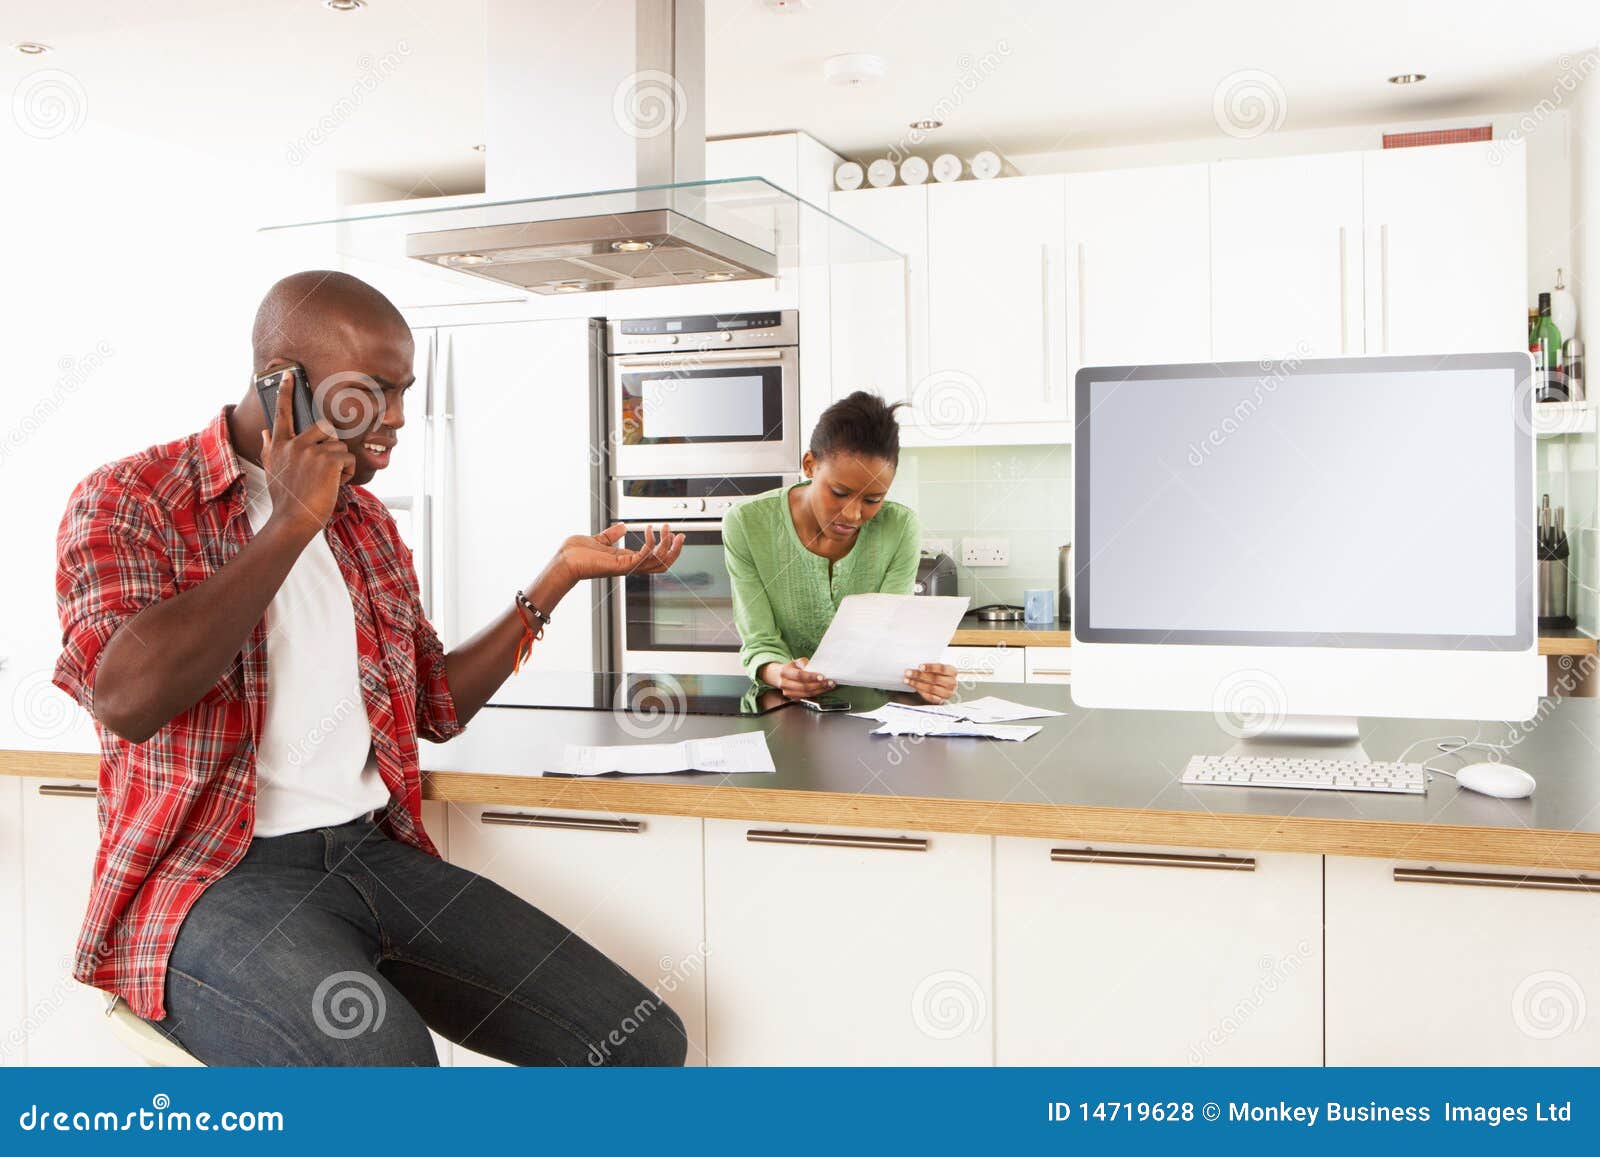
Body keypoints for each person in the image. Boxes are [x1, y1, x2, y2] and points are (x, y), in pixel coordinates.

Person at [50, 271, 690, 1066]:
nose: (395, 421)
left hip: (369, 854)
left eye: (403, 392)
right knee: (390, 1067)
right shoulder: (131, 499)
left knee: (640, 1043)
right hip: (209, 881)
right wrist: (289, 521)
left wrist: (555, 578)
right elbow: (126, 699)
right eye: (374, 392)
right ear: (284, 386)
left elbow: (434, 706)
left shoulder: (363, 521)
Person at [723, 391, 959, 705]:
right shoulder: (746, 523)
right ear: (810, 465)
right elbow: (759, 641)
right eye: (838, 492)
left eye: (873, 500)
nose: (852, 514)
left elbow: (889, 644)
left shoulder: (899, 527)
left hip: (871, 713)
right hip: (783, 707)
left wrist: (925, 679)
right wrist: (782, 673)